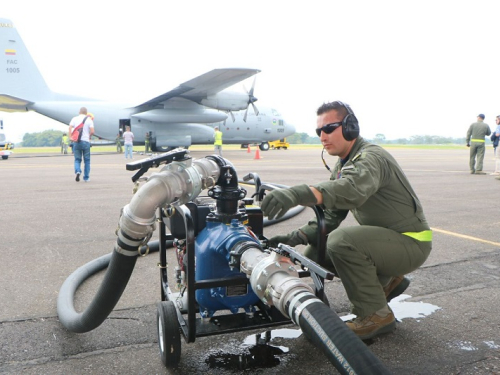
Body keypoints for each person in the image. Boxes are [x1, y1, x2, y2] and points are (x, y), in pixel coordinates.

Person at [261, 101, 432, 340]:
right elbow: (331, 215)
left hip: (411, 242)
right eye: (318, 131)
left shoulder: (371, 157)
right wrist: (293, 238)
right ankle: (388, 281)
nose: (322, 136)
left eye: (329, 128)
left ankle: (375, 315)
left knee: (341, 241)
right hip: (389, 243)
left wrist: (296, 193)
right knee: (314, 253)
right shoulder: (345, 163)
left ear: (351, 127)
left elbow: (350, 189)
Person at [68, 107, 94, 182]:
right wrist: (88, 136)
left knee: (77, 159)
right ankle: (86, 177)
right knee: (87, 161)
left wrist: (71, 137)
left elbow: (70, 128)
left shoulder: (74, 119)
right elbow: (92, 131)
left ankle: (78, 171)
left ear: (79, 112)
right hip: (86, 142)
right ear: (86, 113)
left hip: (76, 142)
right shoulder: (89, 120)